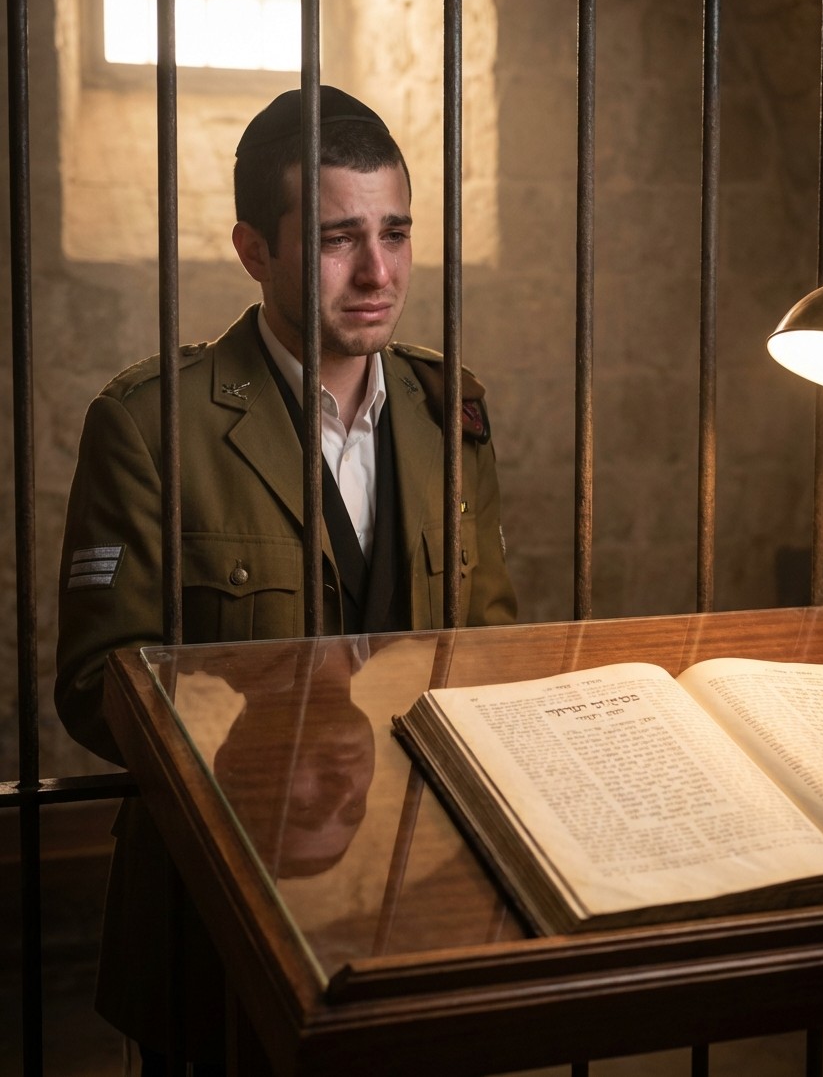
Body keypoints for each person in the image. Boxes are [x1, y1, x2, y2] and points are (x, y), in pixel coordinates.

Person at [54, 86, 516, 1072]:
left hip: (410, 896)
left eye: (394, 233)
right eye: (338, 238)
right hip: (217, 908)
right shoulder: (151, 426)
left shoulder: (449, 410)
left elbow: (488, 640)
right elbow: (98, 681)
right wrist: (278, 746)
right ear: (254, 251)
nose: (377, 271)